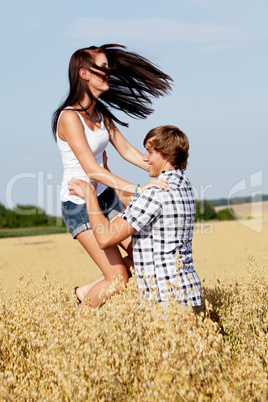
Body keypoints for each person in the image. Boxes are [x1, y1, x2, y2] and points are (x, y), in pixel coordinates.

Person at [52, 44, 172, 308]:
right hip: (80, 205)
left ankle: (85, 291)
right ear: (84, 74)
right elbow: (93, 170)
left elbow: (128, 151)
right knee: (118, 278)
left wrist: (166, 170)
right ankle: (79, 320)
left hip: (105, 198)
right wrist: (139, 189)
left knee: (144, 255)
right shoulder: (69, 118)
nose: (109, 73)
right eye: (103, 68)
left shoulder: (100, 114)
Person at [68, 125, 202, 312]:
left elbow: (105, 238)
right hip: (189, 295)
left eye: (149, 152)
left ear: (166, 155)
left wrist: (90, 194)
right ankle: (88, 289)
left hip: (166, 302)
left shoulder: (156, 193)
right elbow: (136, 205)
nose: (144, 158)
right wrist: (105, 173)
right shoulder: (184, 185)